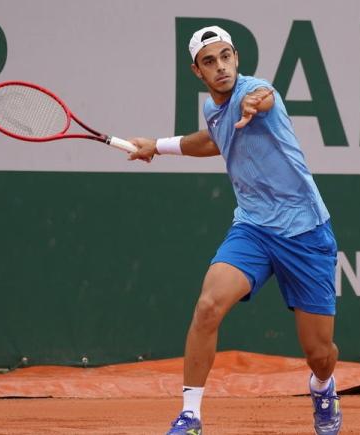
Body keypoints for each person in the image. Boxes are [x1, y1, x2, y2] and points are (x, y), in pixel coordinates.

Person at [128, 26, 342, 435]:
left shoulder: (257, 90)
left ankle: (323, 386)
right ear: (197, 71)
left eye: (226, 56)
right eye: (210, 61)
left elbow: (264, 99)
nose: (220, 66)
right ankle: (191, 415)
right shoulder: (213, 110)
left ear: (236, 58)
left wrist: (251, 104)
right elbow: (214, 140)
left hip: (305, 232)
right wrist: (157, 145)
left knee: (319, 353)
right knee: (208, 306)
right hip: (253, 228)